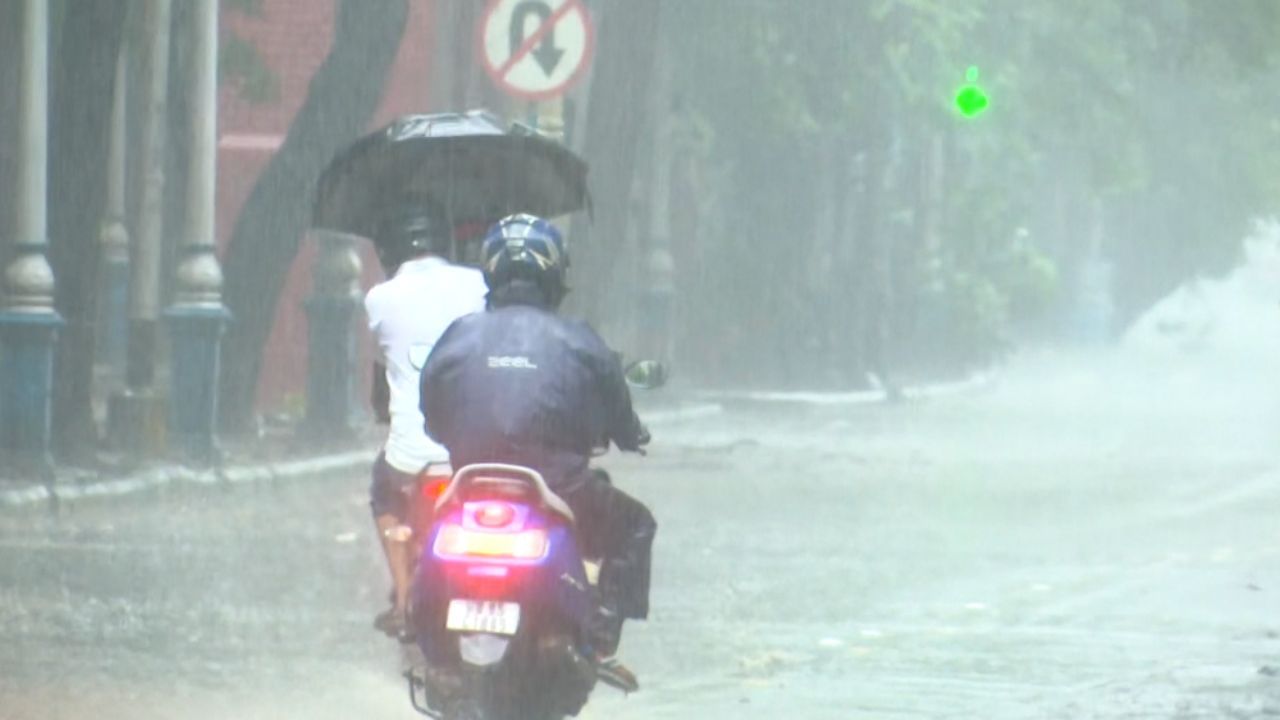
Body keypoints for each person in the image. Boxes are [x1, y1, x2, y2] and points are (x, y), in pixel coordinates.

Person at [419, 214, 655, 692]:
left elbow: (431, 409)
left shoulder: (458, 335)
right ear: (555, 275)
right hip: (559, 488)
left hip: (470, 489)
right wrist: (631, 435)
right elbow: (620, 415)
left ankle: (422, 631)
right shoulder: (580, 339)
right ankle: (601, 632)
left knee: (422, 514)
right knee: (635, 526)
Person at [364, 205, 487, 639]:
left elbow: (385, 377)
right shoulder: (478, 283)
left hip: (411, 457)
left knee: (383, 492)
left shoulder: (379, 298)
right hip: (475, 449)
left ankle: (403, 599)